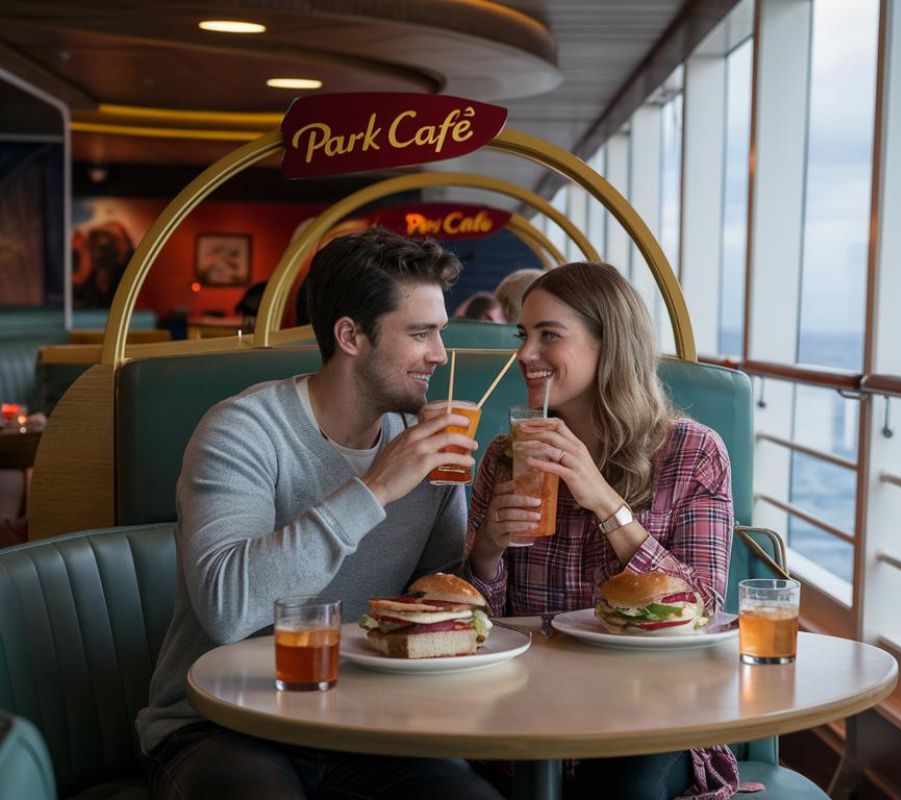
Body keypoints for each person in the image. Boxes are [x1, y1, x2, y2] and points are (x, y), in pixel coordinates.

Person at [136, 228, 501, 800]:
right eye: (420, 333)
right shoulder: (244, 430)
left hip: (370, 728)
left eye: (440, 333)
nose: (439, 354)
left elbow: (438, 600)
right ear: (350, 335)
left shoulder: (428, 445)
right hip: (223, 727)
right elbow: (229, 608)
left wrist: (487, 549)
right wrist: (376, 486)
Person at [465, 262, 739, 800]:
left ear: (608, 344)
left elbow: (702, 609)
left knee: (625, 770)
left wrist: (605, 502)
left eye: (549, 335)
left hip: (650, 713)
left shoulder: (694, 453)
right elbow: (475, 627)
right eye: (524, 335)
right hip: (527, 708)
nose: (524, 354)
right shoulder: (507, 456)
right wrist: (487, 554)